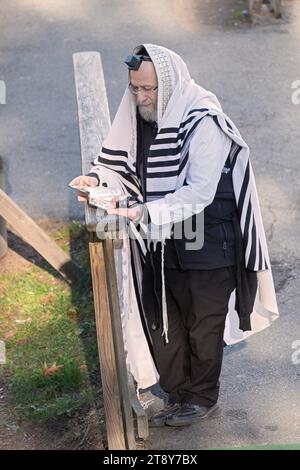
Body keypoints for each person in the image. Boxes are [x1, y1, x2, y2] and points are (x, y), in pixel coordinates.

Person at [70, 44, 278, 427]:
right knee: (165, 315)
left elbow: (199, 192)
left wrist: (146, 211)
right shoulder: (141, 115)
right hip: (161, 237)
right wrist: (99, 179)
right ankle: (179, 393)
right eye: (135, 89)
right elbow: (123, 164)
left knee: (203, 321)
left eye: (148, 89)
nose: (141, 97)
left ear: (168, 83)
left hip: (208, 237)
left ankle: (201, 398)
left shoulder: (204, 121)